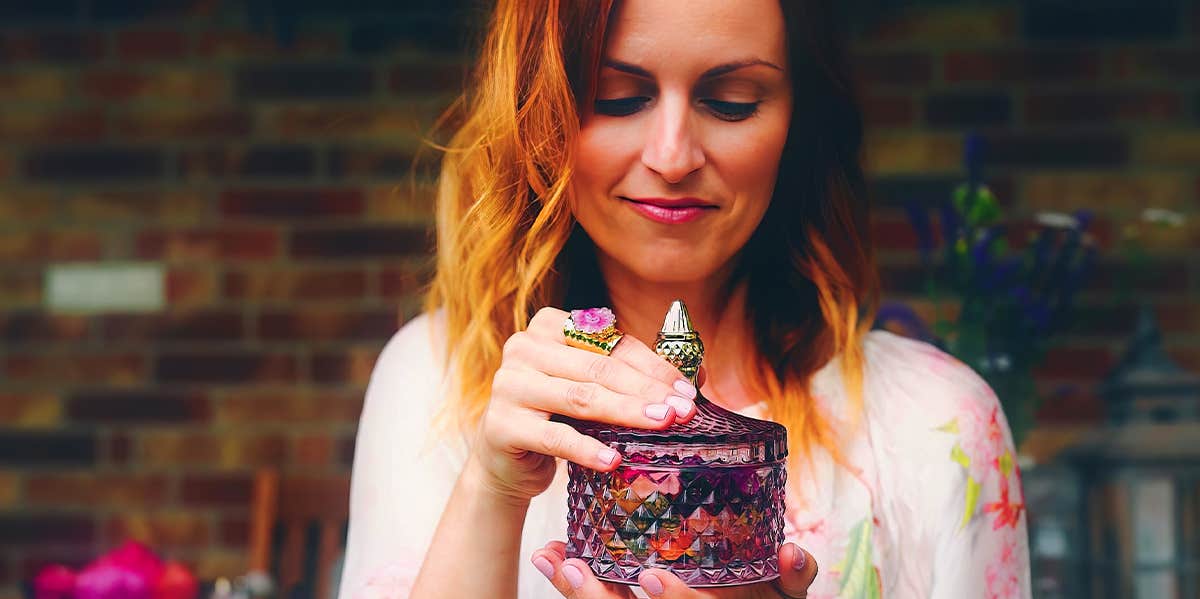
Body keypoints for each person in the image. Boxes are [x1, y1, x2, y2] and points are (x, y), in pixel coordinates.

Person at [338, 0, 1031, 597]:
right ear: (538, 113)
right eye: (616, 97)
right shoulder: (436, 378)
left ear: (798, 122)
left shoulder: (936, 423)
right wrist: (491, 492)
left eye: (730, 103)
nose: (672, 157)